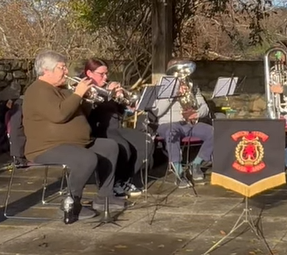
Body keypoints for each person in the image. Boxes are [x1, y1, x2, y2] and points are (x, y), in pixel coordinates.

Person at [21, 50, 127, 224]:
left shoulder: (61, 89)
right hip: (47, 147)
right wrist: (78, 94)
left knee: (110, 147)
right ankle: (71, 204)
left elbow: (78, 113)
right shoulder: (38, 90)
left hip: (74, 142)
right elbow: (59, 115)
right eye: (61, 68)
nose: (66, 72)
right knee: (86, 159)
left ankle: (104, 197)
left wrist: (85, 99)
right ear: (47, 70)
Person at [81, 58, 153, 197]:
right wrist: (107, 94)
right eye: (101, 74)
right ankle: (113, 183)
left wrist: (122, 100)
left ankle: (125, 179)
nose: (106, 77)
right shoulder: (86, 88)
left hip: (116, 127)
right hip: (99, 128)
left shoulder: (106, 86)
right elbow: (90, 112)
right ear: (89, 73)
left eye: (106, 73)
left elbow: (118, 112)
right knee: (123, 146)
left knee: (145, 141)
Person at [153, 59, 214, 188]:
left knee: (213, 132)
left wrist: (196, 114)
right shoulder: (162, 86)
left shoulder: (192, 85)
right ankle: (179, 172)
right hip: (168, 124)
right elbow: (157, 112)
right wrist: (174, 94)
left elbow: (205, 108)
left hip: (189, 123)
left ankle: (196, 164)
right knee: (171, 133)